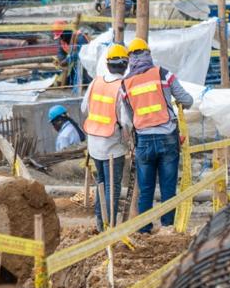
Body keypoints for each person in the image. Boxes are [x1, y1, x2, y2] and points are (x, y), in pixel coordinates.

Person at [124, 37, 193, 233]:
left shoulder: (125, 84)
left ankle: (144, 229)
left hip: (143, 141)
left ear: (130, 58)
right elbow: (186, 100)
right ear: (148, 54)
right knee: (168, 186)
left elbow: (130, 116)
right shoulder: (163, 74)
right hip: (167, 137)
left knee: (145, 188)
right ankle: (167, 227)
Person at [81, 43, 133, 231]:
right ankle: (108, 226)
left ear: (108, 64)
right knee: (113, 187)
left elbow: (83, 108)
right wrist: (130, 138)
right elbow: (126, 121)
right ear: (125, 64)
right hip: (112, 145)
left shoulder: (96, 82)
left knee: (101, 183)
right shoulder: (121, 86)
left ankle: (99, 223)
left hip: (94, 143)